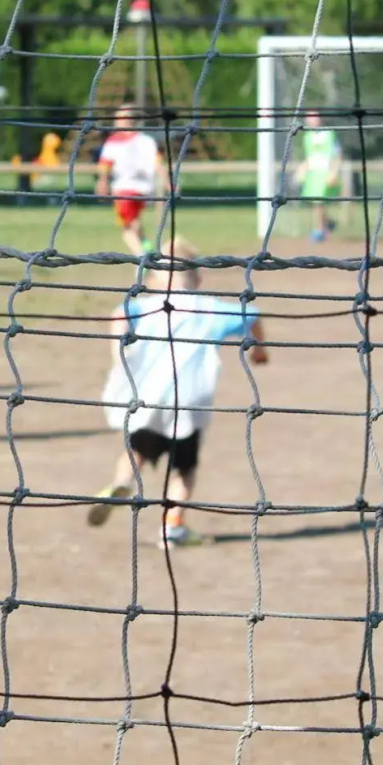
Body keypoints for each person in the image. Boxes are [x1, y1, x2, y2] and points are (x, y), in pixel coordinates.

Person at [87, 238, 268, 548]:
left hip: (148, 397)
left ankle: (121, 484)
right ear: (197, 279)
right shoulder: (209, 309)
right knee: (184, 467)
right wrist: (259, 350)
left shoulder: (142, 307)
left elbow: (119, 316)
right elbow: (251, 315)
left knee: (136, 451)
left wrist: (118, 355)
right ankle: (172, 526)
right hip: (188, 400)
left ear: (154, 279)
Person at [95, 104, 169, 256]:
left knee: (126, 228)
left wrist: (102, 182)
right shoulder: (147, 140)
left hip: (124, 189)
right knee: (134, 221)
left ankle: (141, 257)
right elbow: (158, 163)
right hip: (144, 190)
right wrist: (168, 182)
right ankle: (147, 246)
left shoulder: (115, 141)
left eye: (119, 118)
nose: (116, 121)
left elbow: (105, 165)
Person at [293, 111, 342, 243]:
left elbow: (337, 155)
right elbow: (309, 157)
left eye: (315, 117)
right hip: (313, 174)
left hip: (325, 173)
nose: (312, 120)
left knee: (318, 202)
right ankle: (329, 223)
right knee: (315, 203)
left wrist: (334, 172)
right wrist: (302, 170)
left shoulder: (329, 134)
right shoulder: (308, 136)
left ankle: (319, 230)